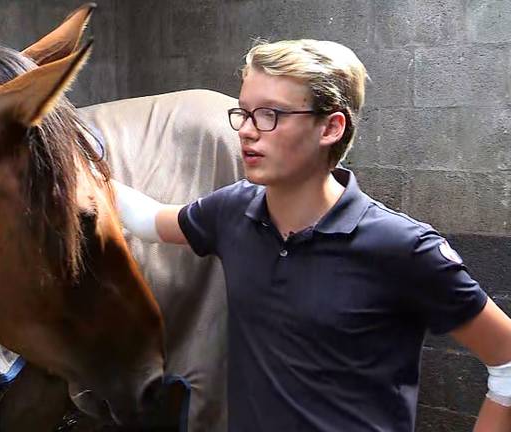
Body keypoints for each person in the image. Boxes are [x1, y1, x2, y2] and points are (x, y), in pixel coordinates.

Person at [112, 39, 511, 431]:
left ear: (330, 127)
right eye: (244, 113)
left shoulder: (401, 246)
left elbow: (507, 359)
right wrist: (69, 157)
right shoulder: (232, 212)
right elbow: (149, 221)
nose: (248, 131)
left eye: (269, 114)